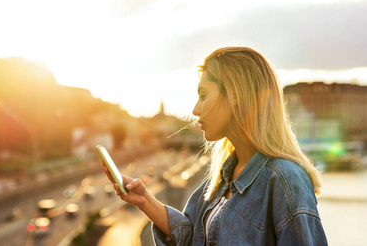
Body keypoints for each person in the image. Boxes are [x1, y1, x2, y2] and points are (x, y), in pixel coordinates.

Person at [102, 47, 328, 245]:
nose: (195, 110)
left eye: (203, 95)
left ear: (235, 96)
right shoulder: (223, 177)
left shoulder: (285, 180)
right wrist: (145, 201)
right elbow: (193, 237)